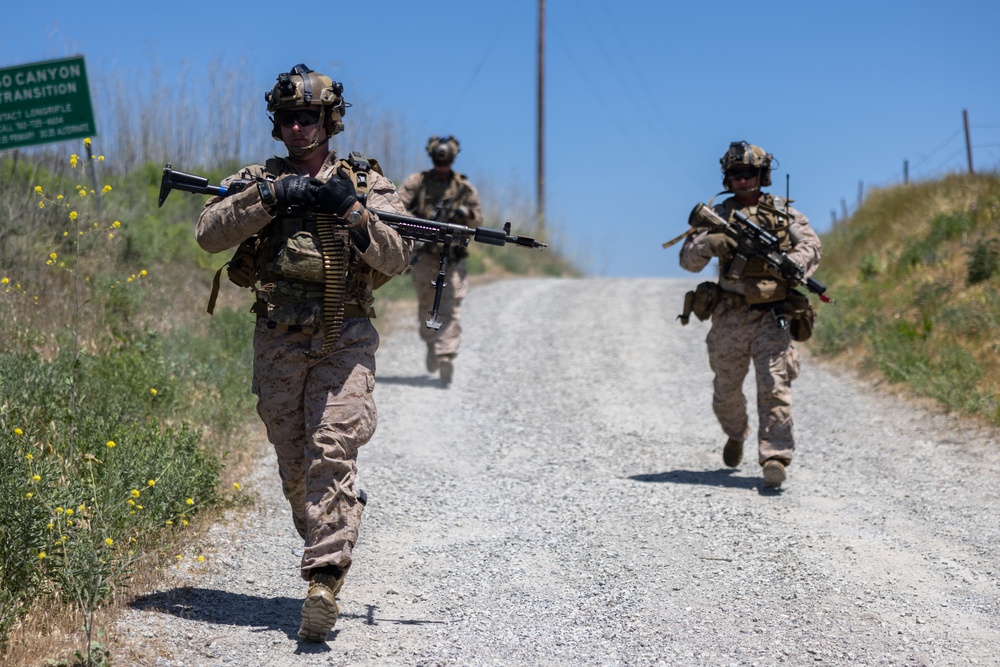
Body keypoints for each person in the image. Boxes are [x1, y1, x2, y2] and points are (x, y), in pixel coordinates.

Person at [195, 64, 414, 641]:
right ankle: (332, 520)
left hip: (346, 339)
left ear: (329, 120)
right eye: (287, 118)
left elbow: (397, 257)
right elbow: (208, 232)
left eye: (308, 117)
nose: (297, 128)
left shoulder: (366, 183)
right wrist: (269, 198)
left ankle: (323, 580)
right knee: (297, 466)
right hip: (279, 342)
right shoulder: (257, 178)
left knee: (331, 448)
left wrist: (351, 209)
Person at [679, 141, 821, 489]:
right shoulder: (720, 216)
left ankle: (775, 456)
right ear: (728, 179)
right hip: (729, 314)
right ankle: (736, 433)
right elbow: (687, 261)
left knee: (775, 386)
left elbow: (811, 247)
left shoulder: (784, 215)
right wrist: (709, 244)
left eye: (750, 174)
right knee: (726, 390)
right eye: (736, 175)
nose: (744, 180)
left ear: (762, 175)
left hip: (772, 315)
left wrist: (793, 263)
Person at [397, 136, 482, 386]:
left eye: (446, 163)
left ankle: (445, 355)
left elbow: (477, 219)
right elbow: (395, 207)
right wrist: (416, 222)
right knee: (427, 304)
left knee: (451, 306)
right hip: (424, 255)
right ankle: (432, 343)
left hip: (452, 257)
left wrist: (464, 213)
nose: (441, 167)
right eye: (437, 162)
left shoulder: (464, 189)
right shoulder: (417, 183)